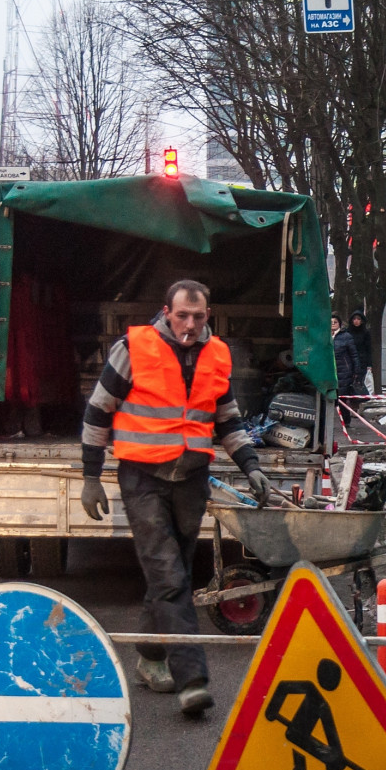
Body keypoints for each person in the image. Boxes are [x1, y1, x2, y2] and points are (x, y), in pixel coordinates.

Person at [77, 280, 270, 716]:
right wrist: (91, 477)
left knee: (176, 572)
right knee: (168, 575)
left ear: (208, 316)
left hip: (190, 479)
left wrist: (251, 466)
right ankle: (192, 679)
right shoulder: (133, 347)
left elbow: (228, 419)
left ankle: (149, 655)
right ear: (167, 312)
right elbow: (97, 411)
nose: (189, 324)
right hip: (142, 477)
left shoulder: (217, 354)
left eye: (198, 317)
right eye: (182, 315)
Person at [347, 308, 374, 393]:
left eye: (358, 319)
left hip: (362, 361)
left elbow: (368, 349)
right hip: (349, 361)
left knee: (359, 383)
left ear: (362, 321)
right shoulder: (347, 332)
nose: (356, 321)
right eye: (354, 319)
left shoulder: (366, 333)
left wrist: (369, 364)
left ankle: (358, 400)